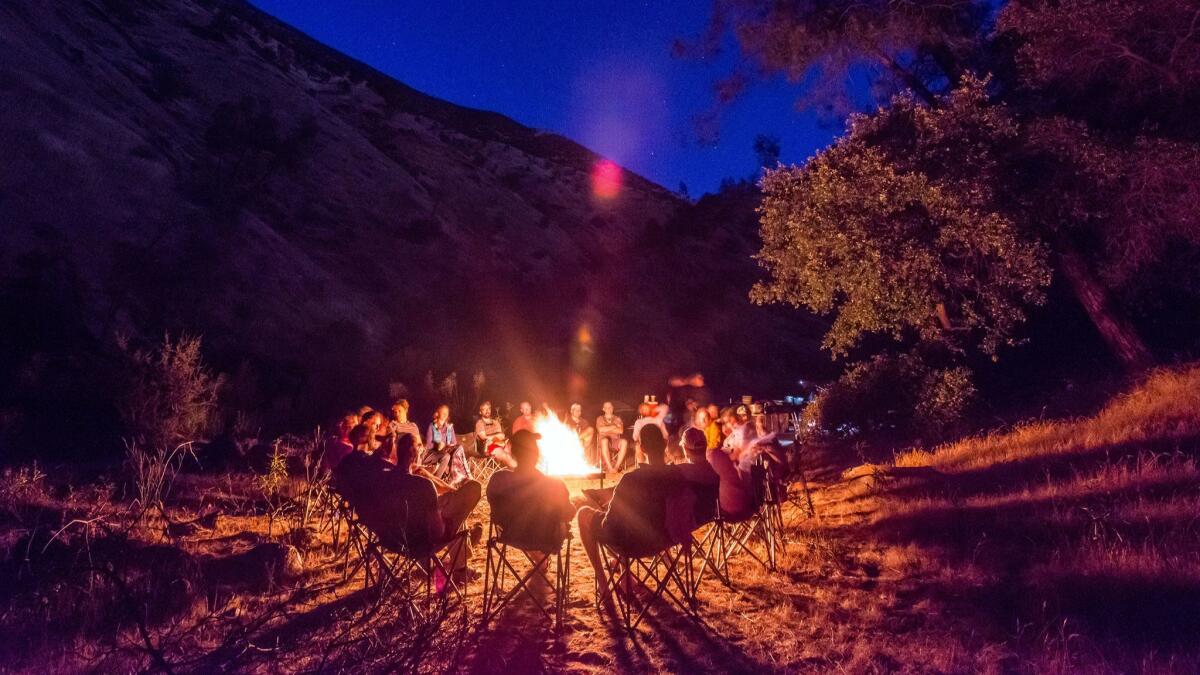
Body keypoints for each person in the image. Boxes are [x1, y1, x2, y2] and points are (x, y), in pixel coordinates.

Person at [338, 434, 482, 581]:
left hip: (391, 540)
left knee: (445, 503)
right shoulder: (423, 486)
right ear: (414, 452)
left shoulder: (384, 480)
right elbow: (437, 532)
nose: (422, 449)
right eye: (419, 446)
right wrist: (450, 518)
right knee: (467, 497)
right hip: (419, 544)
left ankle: (465, 545)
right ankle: (461, 560)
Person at [577, 425, 696, 597]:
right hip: (666, 539)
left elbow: (612, 525)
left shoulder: (630, 480)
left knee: (584, 514)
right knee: (628, 520)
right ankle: (624, 577)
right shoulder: (677, 476)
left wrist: (604, 507)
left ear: (641, 448)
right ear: (664, 443)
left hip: (634, 545)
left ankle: (604, 587)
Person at [487, 429, 574, 552]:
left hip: (509, 536)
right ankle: (542, 562)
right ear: (536, 454)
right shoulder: (555, 484)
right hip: (546, 538)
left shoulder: (498, 479)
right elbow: (568, 513)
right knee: (561, 523)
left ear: (513, 453)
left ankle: (541, 563)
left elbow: (493, 508)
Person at [425, 405, 470, 485]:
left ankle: (458, 477)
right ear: (437, 413)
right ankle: (461, 477)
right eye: (443, 412)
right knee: (449, 455)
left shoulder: (449, 427)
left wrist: (447, 446)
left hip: (447, 450)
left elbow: (454, 442)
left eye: (447, 412)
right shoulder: (432, 427)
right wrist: (437, 443)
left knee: (459, 448)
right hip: (435, 452)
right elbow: (429, 446)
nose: (445, 414)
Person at [474, 401, 516, 468]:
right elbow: (483, 437)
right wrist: (497, 436)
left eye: (488, 409)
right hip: (487, 446)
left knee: (511, 452)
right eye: (484, 409)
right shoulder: (479, 423)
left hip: (499, 443)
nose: (487, 411)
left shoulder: (495, 422)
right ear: (480, 412)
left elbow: (502, 436)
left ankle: (512, 469)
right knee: (505, 456)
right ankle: (516, 471)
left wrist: (499, 438)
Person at [631, 397, 668, 466]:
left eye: (647, 408)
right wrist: (638, 443)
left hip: (658, 444)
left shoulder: (658, 420)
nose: (645, 410)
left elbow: (665, 434)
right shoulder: (639, 422)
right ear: (640, 411)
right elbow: (635, 437)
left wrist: (664, 442)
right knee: (637, 448)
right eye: (643, 409)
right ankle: (642, 467)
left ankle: (664, 466)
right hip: (645, 444)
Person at [594, 401, 628, 473]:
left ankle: (616, 467)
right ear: (603, 409)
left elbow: (620, 431)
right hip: (604, 442)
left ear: (613, 408)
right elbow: (600, 430)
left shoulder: (617, 419)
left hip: (615, 441)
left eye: (610, 407)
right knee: (604, 441)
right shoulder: (599, 418)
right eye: (606, 407)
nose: (609, 409)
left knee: (624, 442)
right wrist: (614, 426)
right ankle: (610, 468)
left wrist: (606, 428)